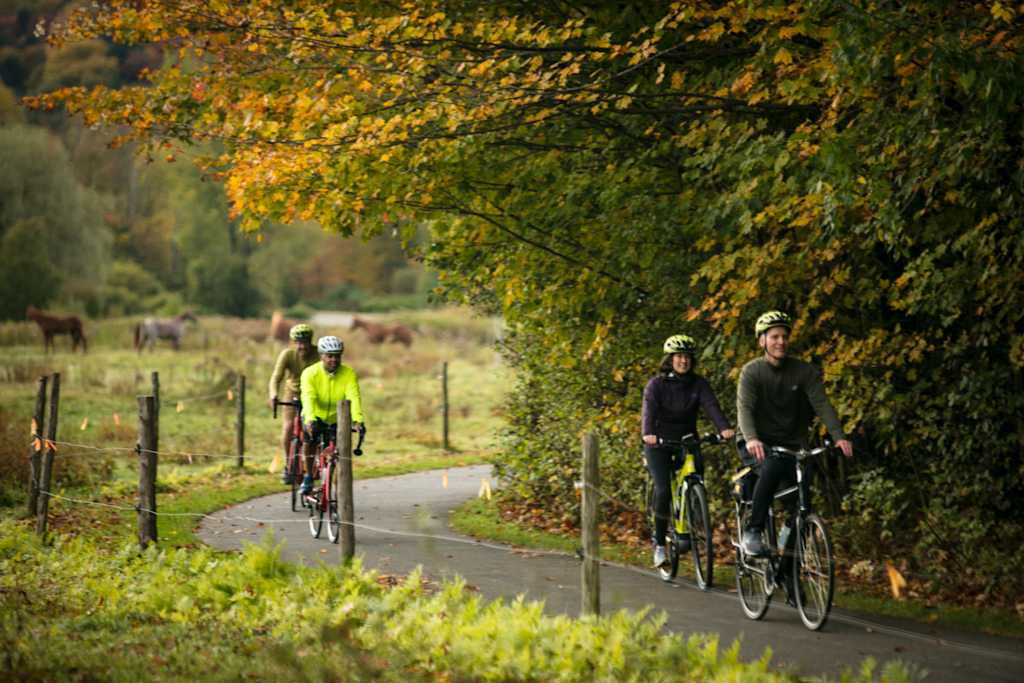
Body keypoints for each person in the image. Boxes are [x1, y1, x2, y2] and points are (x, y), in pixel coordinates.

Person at [736, 311, 853, 567]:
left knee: (801, 506)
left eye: (784, 336)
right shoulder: (752, 372)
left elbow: (821, 404)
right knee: (772, 465)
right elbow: (744, 409)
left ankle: (787, 570)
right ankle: (753, 531)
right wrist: (752, 438)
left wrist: (838, 437)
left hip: (791, 445)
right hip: (756, 442)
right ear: (762, 341)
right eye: (774, 336)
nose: (780, 341)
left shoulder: (803, 371)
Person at [642, 334, 735, 568]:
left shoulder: (698, 384)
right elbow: (648, 412)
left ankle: (691, 522)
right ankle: (660, 545)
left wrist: (723, 428)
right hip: (659, 443)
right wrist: (648, 433)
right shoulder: (656, 385)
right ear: (670, 359)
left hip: (687, 441)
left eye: (687, 357)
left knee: (697, 477)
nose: (684, 361)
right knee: (663, 489)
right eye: (679, 356)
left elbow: (711, 406)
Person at [299, 335, 365, 495]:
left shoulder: (348, 373)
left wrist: (357, 420)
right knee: (310, 442)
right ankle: (308, 476)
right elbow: (308, 397)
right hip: (315, 416)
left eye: (337, 356)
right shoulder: (310, 373)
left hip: (338, 419)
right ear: (321, 356)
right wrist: (310, 419)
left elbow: (353, 397)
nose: (333, 360)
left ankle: (334, 485)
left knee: (340, 452)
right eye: (329, 356)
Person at [268, 323, 319, 484]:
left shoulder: (319, 354)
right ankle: (289, 465)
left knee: (313, 428)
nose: (302, 346)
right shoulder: (288, 355)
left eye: (305, 342)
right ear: (293, 342)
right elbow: (276, 377)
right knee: (289, 427)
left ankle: (313, 463)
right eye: (298, 342)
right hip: (293, 393)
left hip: (313, 394)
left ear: (310, 341)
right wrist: (273, 394)